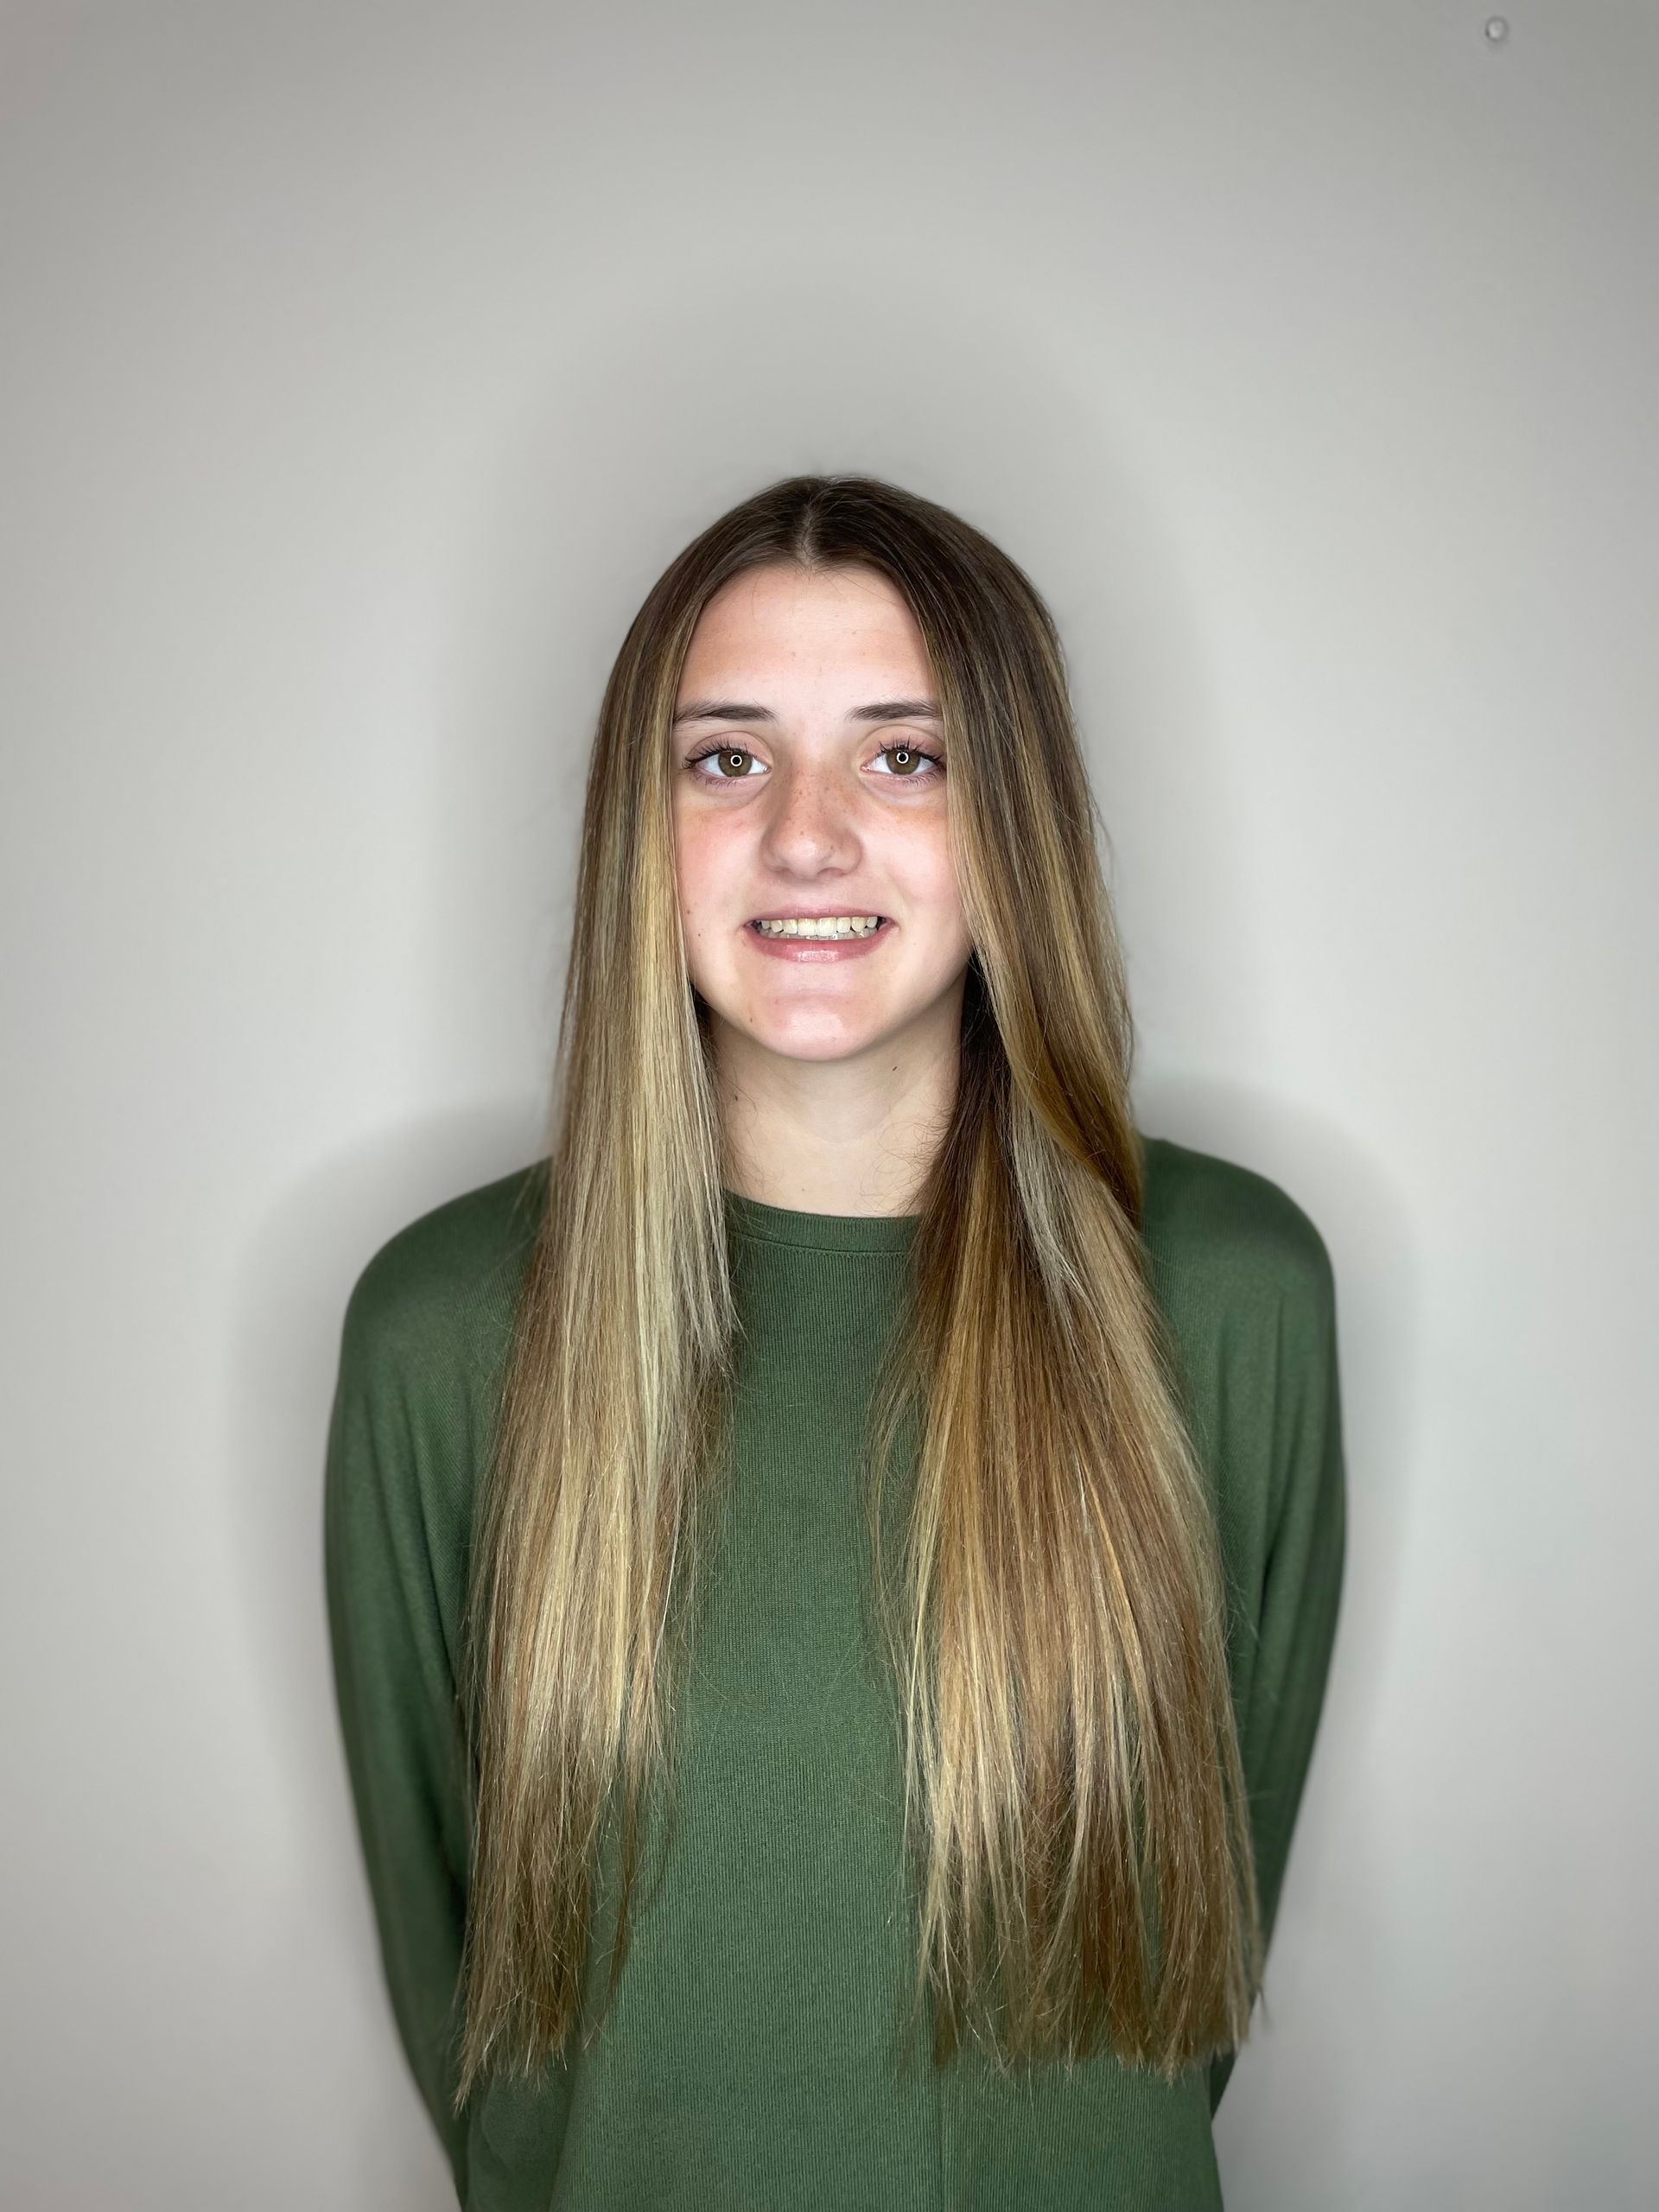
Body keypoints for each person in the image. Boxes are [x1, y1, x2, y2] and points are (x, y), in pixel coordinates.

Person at [322, 473, 1347, 2210]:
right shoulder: (443, 1328)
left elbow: (1203, 1913)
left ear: (1012, 818)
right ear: (639, 828)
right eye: (727, 757)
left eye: (906, 756)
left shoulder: (1227, 1291)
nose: (807, 835)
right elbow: (464, 1990)